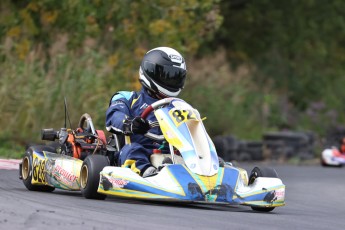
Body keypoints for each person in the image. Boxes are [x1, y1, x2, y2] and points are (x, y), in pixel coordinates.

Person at [105, 47, 187, 177]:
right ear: (150, 71)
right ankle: (147, 173)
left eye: (176, 76)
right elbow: (114, 116)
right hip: (138, 151)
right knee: (133, 150)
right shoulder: (127, 97)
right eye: (168, 75)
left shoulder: (180, 107)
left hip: (172, 154)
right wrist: (130, 123)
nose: (172, 80)